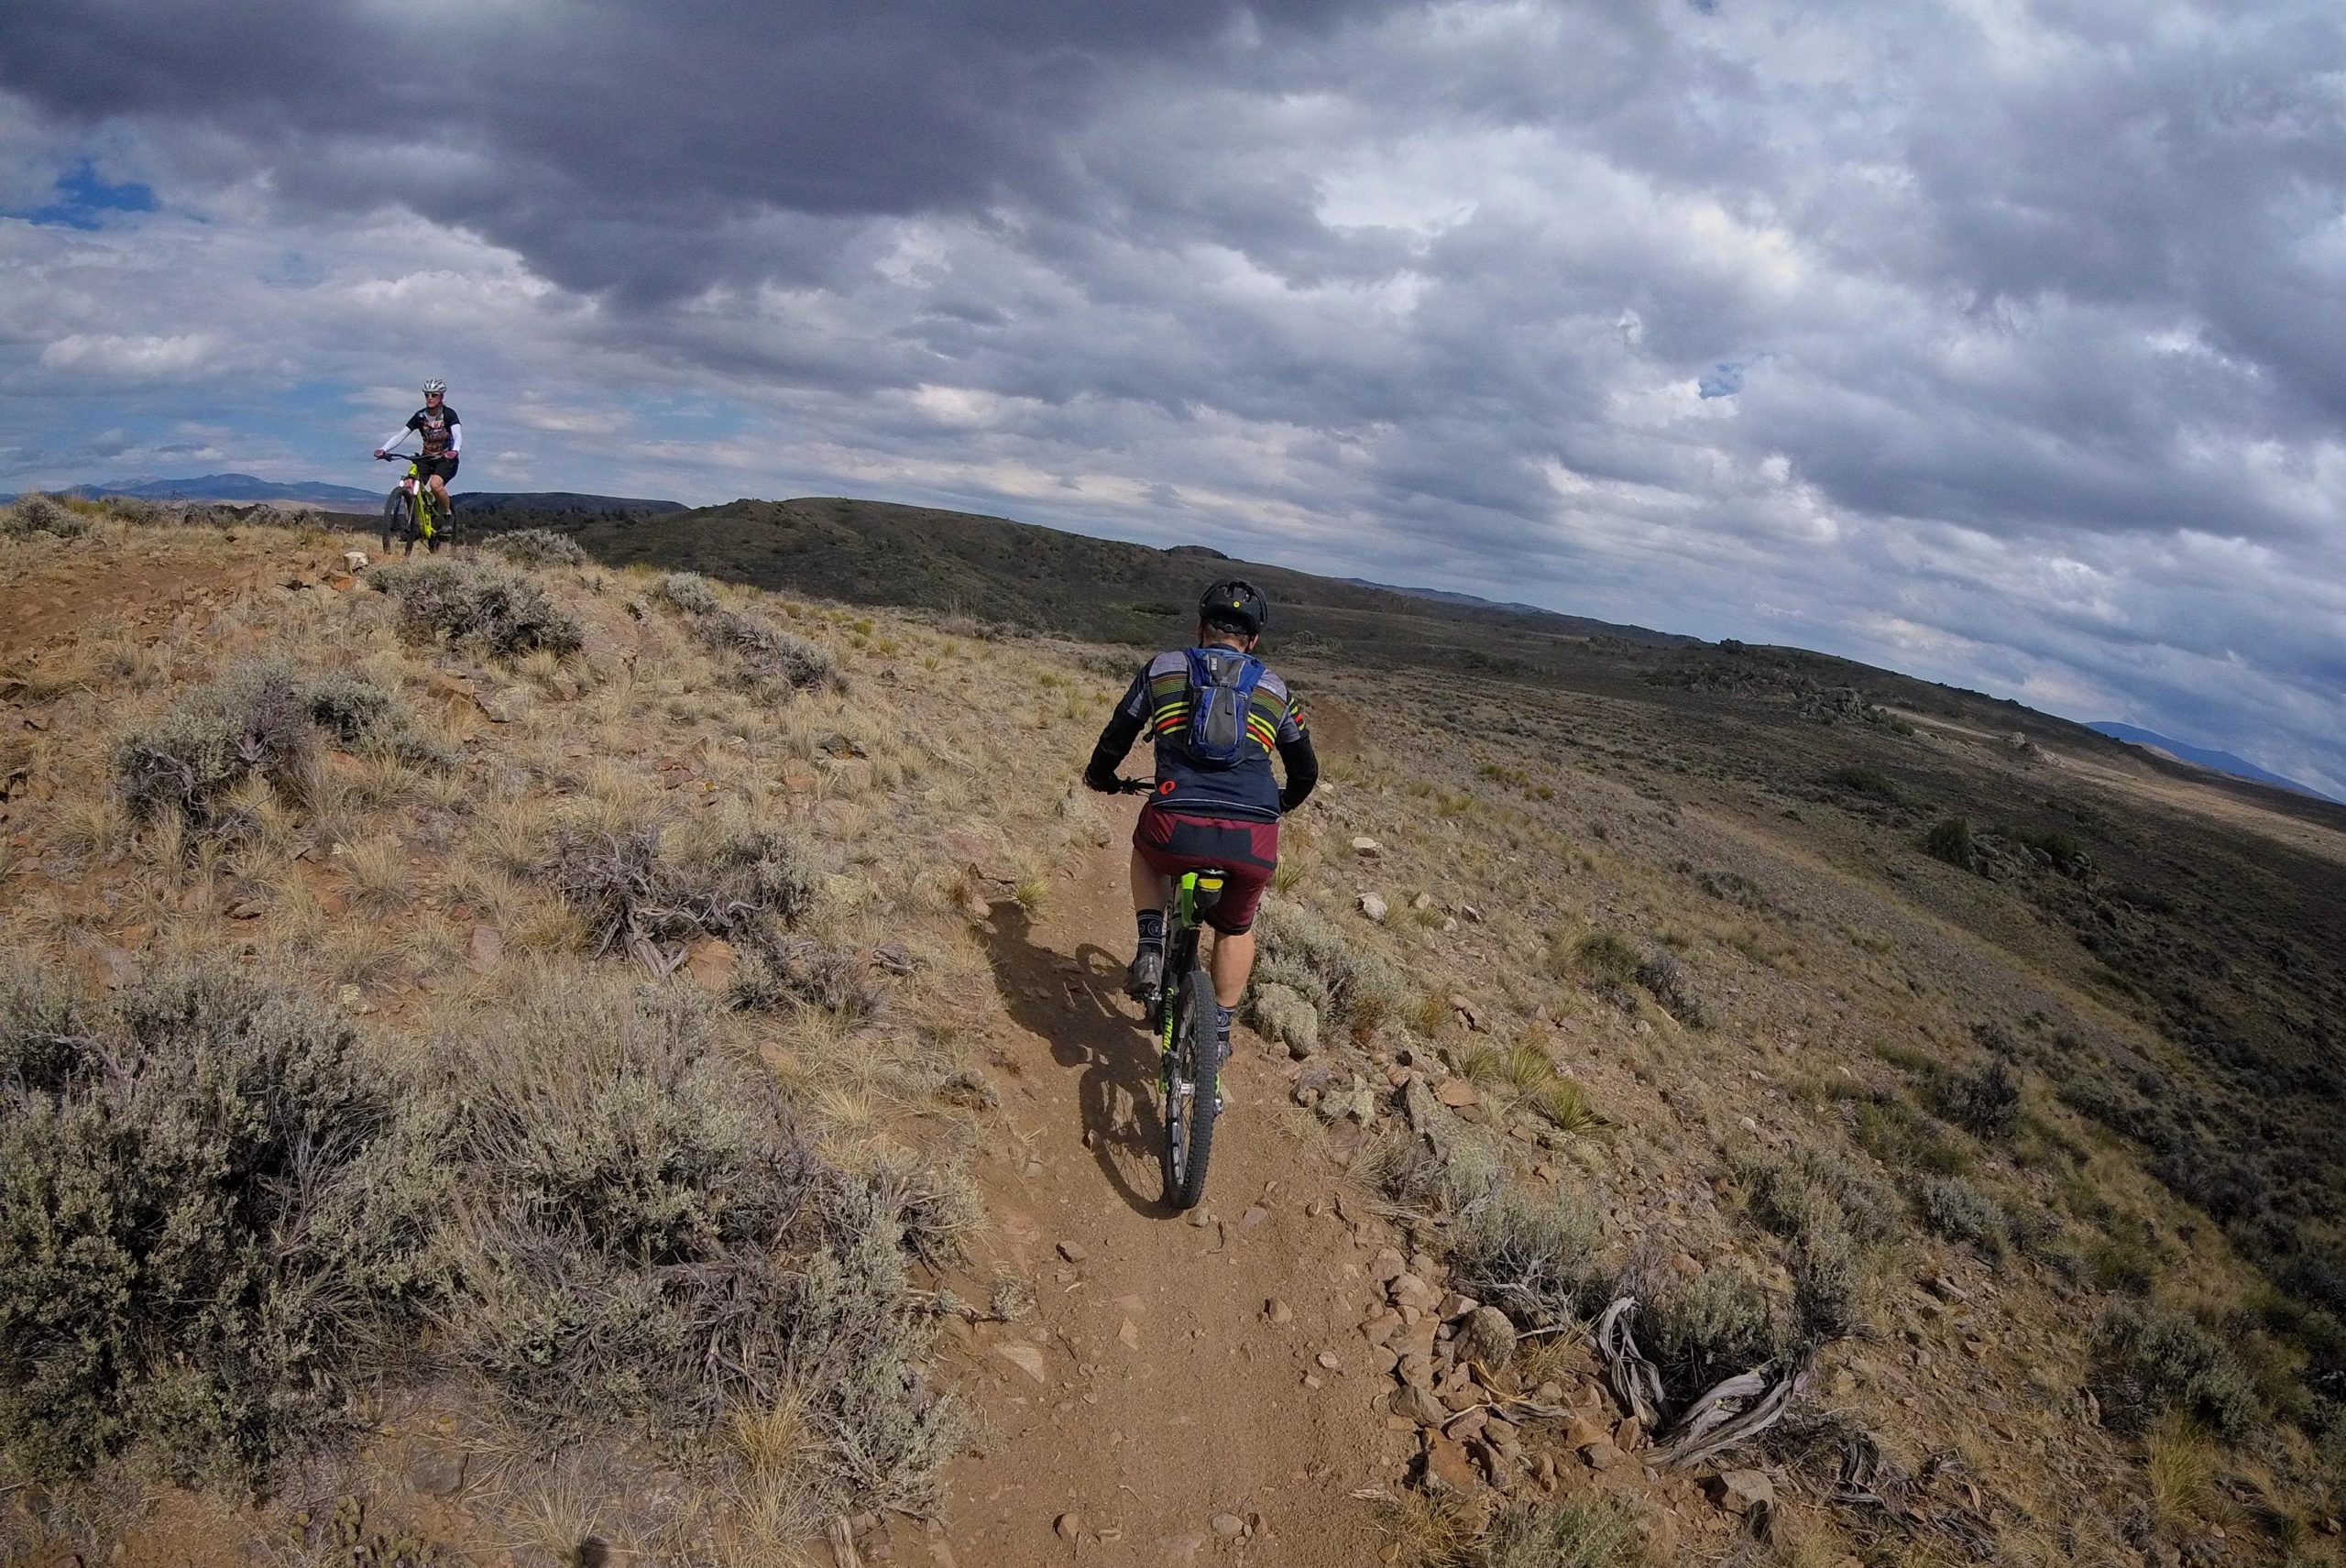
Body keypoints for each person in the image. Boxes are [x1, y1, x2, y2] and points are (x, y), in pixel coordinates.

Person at [1084, 578, 1319, 1062]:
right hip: (1253, 835)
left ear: (1200, 628)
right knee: (1235, 927)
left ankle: (1151, 948)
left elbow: (1119, 733)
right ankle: (1221, 1030)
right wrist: (1281, 804)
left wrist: (1101, 777)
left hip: (1177, 825)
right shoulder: (1275, 688)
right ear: (1252, 640)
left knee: (1145, 851)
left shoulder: (1164, 668)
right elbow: (1306, 769)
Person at [375, 379, 462, 526]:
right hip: (426, 458)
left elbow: (458, 434)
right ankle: (413, 524)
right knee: (409, 484)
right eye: (427, 395)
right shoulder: (420, 416)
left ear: (441, 397)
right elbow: (401, 435)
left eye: (434, 395)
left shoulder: (449, 414)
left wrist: (455, 451)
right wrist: (384, 449)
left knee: (435, 485)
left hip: (445, 459)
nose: (430, 398)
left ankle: (447, 515)